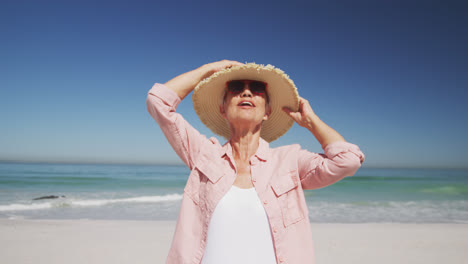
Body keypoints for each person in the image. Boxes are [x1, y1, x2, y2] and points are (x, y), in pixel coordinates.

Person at [146, 60, 365, 264]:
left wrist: (311, 122)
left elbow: (348, 161)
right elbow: (158, 102)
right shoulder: (204, 155)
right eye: (236, 87)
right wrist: (210, 69)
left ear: (267, 112)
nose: (246, 91)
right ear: (222, 109)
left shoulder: (288, 160)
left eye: (257, 88)